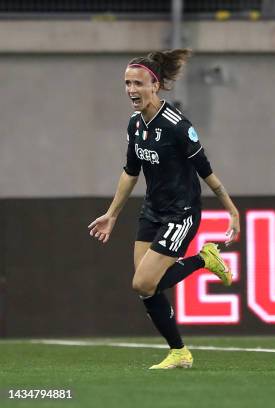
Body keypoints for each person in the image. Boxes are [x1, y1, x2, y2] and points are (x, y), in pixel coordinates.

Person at [88, 49, 240, 369]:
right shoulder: (135, 124)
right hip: (152, 211)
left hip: (181, 213)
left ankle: (202, 258)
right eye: (127, 83)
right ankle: (179, 353)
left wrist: (232, 210)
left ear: (154, 85)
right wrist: (112, 214)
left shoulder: (177, 126)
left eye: (138, 83)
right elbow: (131, 172)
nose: (131, 90)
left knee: (142, 283)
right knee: (147, 288)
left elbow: (206, 172)